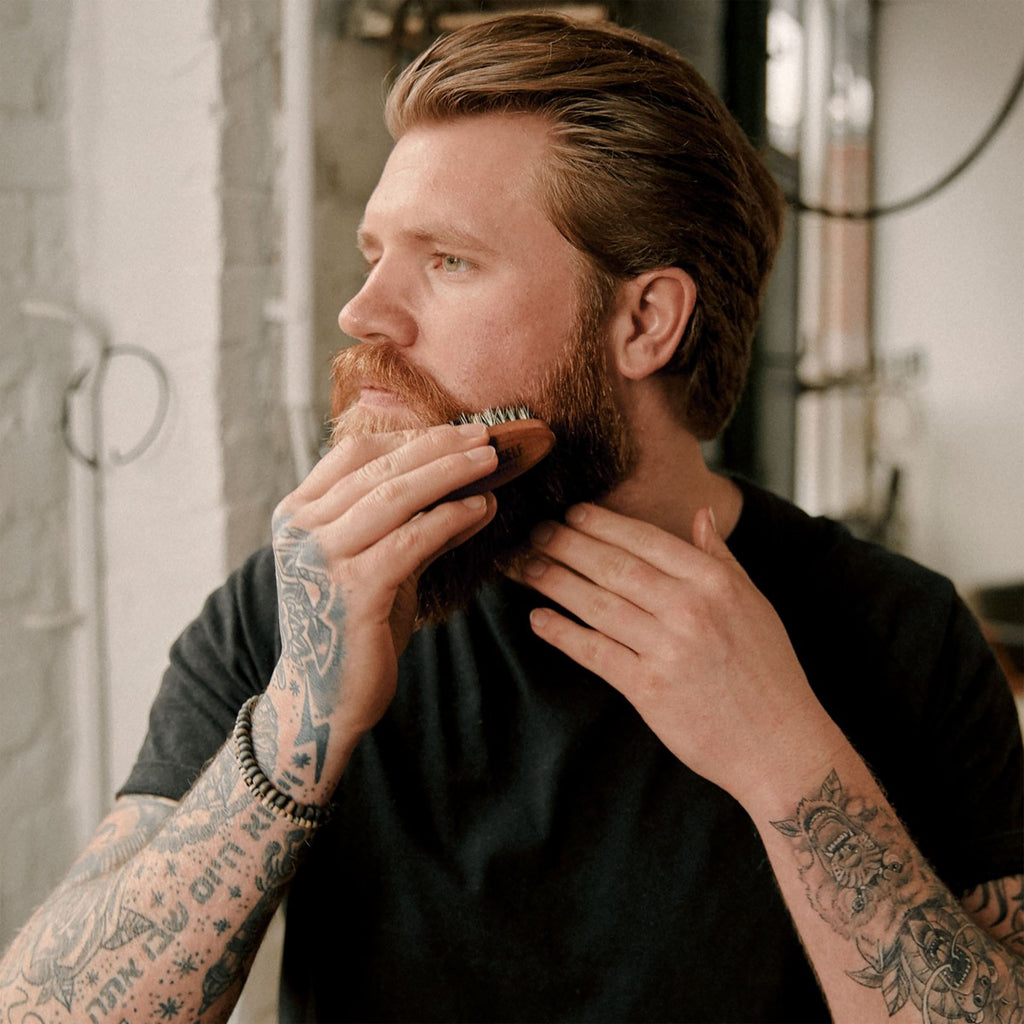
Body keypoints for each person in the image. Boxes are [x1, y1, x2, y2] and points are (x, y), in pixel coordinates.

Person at [2, 12, 1021, 1023]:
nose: (362, 313)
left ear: (644, 321)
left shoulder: (901, 635)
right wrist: (297, 722)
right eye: (374, 254)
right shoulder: (301, 606)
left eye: (447, 260)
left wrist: (786, 761)